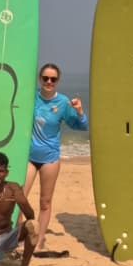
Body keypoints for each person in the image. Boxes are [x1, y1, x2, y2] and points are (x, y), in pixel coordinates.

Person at [23, 63, 88, 252]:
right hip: (28, 157)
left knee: (45, 201)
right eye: (45, 78)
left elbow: (81, 126)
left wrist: (79, 111)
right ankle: (18, 235)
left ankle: (40, 239)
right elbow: (3, 99)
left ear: (58, 81)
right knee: (20, 199)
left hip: (50, 158)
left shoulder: (62, 102)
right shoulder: (30, 96)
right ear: (39, 79)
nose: (49, 82)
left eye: (53, 79)